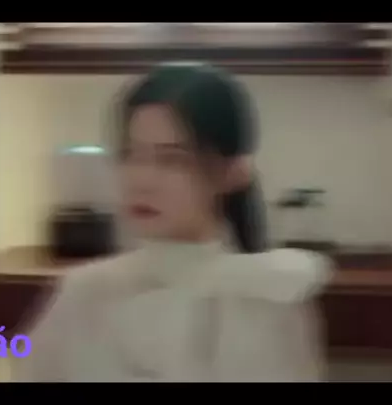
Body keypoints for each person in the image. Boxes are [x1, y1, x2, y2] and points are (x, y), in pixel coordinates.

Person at [20, 63, 331, 382]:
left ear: (233, 171)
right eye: (130, 155)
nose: (141, 180)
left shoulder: (269, 297)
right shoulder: (85, 292)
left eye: (171, 159)